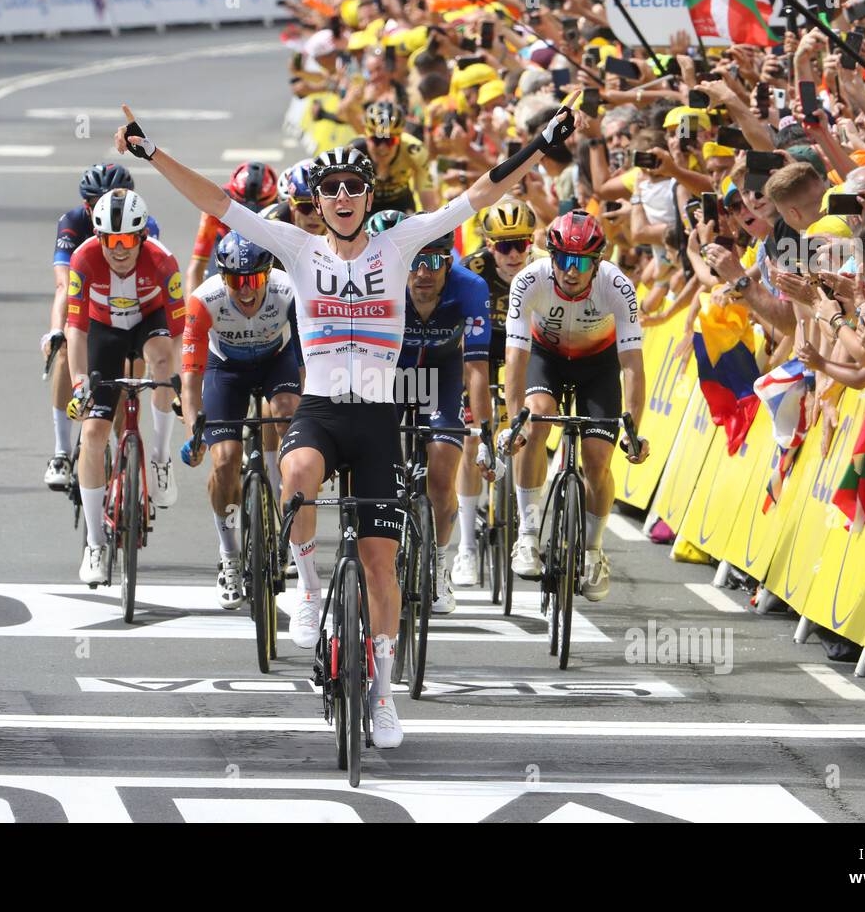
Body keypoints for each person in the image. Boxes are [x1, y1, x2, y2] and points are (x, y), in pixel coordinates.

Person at [114, 96, 581, 749]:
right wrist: (150, 152)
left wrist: (539, 144)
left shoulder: (400, 242)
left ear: (366, 198)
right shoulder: (298, 248)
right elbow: (217, 203)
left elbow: (479, 194)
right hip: (323, 410)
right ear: (320, 201)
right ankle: (306, 591)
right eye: (329, 189)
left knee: (380, 563)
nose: (340, 196)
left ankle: (384, 695)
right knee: (295, 472)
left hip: (378, 420)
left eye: (352, 188)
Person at [501, 211, 650, 601]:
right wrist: (512, 421)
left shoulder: (617, 285)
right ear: (550, 257)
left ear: (597, 262)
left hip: (598, 366)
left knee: (598, 460)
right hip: (545, 359)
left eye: (581, 261)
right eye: (563, 259)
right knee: (533, 424)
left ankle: (593, 550)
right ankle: (528, 533)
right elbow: (515, 357)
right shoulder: (528, 280)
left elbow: (632, 364)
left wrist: (633, 429)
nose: (571, 270)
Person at [64, 189, 185, 584]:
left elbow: (181, 332)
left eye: (128, 240)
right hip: (104, 331)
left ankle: (161, 458)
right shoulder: (84, 259)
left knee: (163, 360)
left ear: (141, 238)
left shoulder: (163, 262)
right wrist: (80, 382)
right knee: (94, 431)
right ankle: (96, 544)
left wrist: (180, 381)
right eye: (110, 240)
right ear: (99, 238)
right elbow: (76, 329)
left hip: (149, 323)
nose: (119, 250)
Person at [178, 232, 302, 608]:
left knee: (287, 416)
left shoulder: (289, 291)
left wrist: (310, 426)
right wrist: (193, 434)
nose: (245, 291)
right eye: (235, 280)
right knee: (226, 460)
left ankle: (287, 512)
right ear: (222, 278)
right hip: (225, 371)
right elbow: (190, 379)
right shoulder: (205, 300)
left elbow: (305, 361)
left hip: (275, 363)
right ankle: (230, 556)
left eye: (253, 280)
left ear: (268, 275)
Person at [42, 164, 164, 494]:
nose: (99, 209)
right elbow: (64, 286)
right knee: (67, 346)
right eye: (92, 203)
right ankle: (61, 453)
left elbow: (150, 283)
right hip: (88, 307)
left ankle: (128, 466)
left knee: (129, 384)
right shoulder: (72, 223)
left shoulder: (145, 224)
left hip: (129, 308)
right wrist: (56, 331)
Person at [395, 228, 495, 613]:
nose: (423, 272)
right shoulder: (385, 283)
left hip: (442, 375)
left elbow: (477, 369)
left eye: (433, 262)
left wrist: (485, 435)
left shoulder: (470, 288)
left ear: (448, 263)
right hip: (391, 374)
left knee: (441, 472)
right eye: (415, 263)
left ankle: (437, 564)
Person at [451, 198, 543, 585]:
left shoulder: (542, 268)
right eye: (504, 245)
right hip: (480, 348)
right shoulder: (470, 270)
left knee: (528, 427)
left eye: (521, 243)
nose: (514, 253)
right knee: (473, 441)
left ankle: (526, 525)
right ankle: (466, 547)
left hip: (525, 347)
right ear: (489, 245)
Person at [183, 162, 279, 297]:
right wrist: (192, 312)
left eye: (256, 211)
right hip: (224, 240)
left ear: (274, 200)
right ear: (233, 199)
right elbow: (197, 266)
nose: (247, 218)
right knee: (214, 282)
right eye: (241, 209)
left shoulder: (280, 206)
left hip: (265, 241)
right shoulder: (216, 202)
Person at [353, 100, 437, 213]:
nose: (383, 148)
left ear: (400, 138)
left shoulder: (415, 151)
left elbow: (429, 203)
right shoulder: (353, 153)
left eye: (390, 141)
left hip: (400, 201)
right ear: (366, 137)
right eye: (376, 140)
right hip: (366, 203)